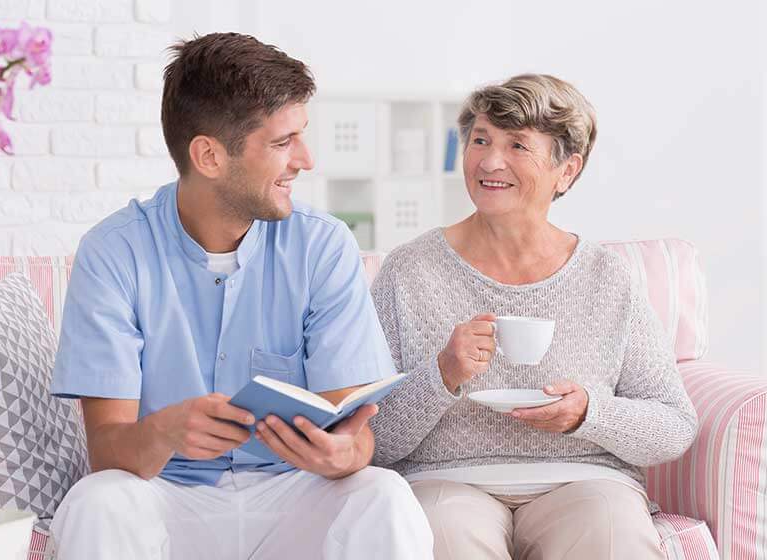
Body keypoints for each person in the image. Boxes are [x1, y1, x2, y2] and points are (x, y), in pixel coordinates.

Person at [49, 33, 432, 560]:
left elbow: (357, 435)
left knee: (385, 495)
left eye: (301, 136)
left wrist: (342, 454)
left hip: (295, 495)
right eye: (282, 143)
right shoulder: (114, 253)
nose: (306, 159)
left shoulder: (322, 245)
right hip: (167, 496)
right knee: (97, 501)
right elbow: (108, 451)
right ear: (208, 155)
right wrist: (163, 432)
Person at [369, 74, 697, 560]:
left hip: (585, 479)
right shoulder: (409, 271)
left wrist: (590, 413)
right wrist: (441, 375)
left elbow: (674, 426)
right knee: (444, 535)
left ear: (566, 170)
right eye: (480, 140)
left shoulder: (607, 277)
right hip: (446, 479)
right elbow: (370, 439)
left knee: (611, 535)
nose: (489, 160)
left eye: (517, 145)